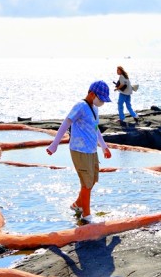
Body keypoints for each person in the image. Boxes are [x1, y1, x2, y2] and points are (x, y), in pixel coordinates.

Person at [46, 81, 113, 223]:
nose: (101, 102)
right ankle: (86, 216)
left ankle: (77, 204)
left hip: (91, 150)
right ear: (91, 94)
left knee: (92, 180)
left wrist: (104, 146)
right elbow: (66, 123)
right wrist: (54, 144)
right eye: (100, 99)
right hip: (80, 150)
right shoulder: (80, 106)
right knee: (87, 183)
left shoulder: (94, 108)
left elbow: (96, 129)